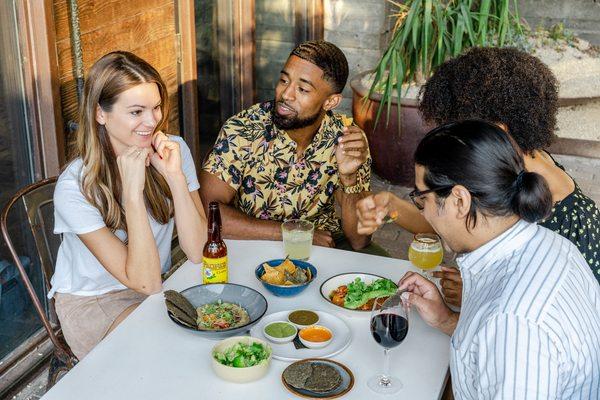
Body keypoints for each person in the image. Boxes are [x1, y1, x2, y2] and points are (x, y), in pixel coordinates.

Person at [357, 47, 600, 305]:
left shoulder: (566, 230)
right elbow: (449, 217)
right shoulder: (517, 166)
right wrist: (393, 206)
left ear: (497, 132)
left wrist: (480, 291)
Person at [398, 120, 600, 399]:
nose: (423, 214)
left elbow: (511, 338)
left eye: (422, 199)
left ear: (459, 200)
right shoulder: (556, 246)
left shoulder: (513, 323)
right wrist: (447, 320)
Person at [49, 51, 206, 359]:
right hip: (95, 300)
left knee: (212, 336)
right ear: (100, 113)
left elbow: (199, 251)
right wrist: (132, 196)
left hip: (153, 288)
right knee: (167, 354)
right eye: (136, 112)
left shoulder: (173, 150)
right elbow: (145, 281)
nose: (152, 121)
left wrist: (174, 178)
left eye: (156, 107)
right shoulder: (74, 186)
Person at [200, 40, 381, 253]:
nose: (286, 94)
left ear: (330, 102)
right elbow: (207, 214)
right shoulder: (244, 130)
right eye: (284, 80)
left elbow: (360, 240)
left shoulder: (346, 139)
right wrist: (293, 234)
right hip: (253, 241)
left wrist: (349, 179)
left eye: (302, 89)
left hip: (324, 244)